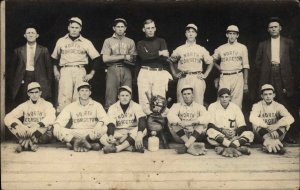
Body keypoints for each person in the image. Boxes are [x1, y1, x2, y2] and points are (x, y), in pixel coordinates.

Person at [255, 17, 299, 143]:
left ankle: (289, 134)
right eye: (271, 27)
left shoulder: (288, 42)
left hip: (283, 75)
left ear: (280, 28)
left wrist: (291, 81)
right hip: (268, 74)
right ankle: (265, 133)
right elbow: (257, 64)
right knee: (266, 101)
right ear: (268, 30)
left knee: (285, 103)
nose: (273, 29)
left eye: (275, 27)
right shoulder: (263, 44)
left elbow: (294, 62)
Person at [51, 17, 101, 113]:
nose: (74, 30)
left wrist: (91, 74)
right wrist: (55, 71)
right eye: (72, 27)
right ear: (68, 28)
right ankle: (63, 122)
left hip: (80, 70)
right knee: (64, 96)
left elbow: (97, 58)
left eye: (77, 27)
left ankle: (78, 119)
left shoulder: (86, 42)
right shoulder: (61, 41)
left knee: (79, 95)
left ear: (80, 29)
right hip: (65, 69)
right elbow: (54, 58)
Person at [53, 82, 110, 152]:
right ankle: (85, 143)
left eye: (86, 91)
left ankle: (75, 143)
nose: (84, 93)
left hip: (91, 132)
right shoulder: (72, 106)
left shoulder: (96, 105)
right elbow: (61, 119)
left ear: (90, 93)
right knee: (57, 130)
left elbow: (105, 118)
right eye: (82, 91)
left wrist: (100, 123)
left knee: (104, 128)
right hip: (76, 132)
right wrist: (57, 125)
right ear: (78, 93)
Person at [168, 23, 214, 105]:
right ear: (185, 34)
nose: (190, 34)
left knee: (198, 102)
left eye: (193, 31)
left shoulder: (200, 49)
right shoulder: (180, 49)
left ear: (196, 34)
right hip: (184, 77)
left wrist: (206, 74)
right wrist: (174, 73)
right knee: (182, 102)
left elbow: (211, 61)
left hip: (197, 77)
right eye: (188, 32)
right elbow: (170, 60)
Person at [4, 82, 56, 152]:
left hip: (40, 132)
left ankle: (23, 144)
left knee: (47, 125)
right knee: (11, 124)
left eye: (36, 92)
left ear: (40, 93)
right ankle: (31, 144)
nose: (34, 95)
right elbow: (8, 117)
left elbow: (51, 117)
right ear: (28, 94)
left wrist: (37, 125)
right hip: (27, 132)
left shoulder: (47, 104)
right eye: (31, 92)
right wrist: (17, 126)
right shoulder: (24, 105)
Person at [9, 24, 53, 105]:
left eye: (33, 33)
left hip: (40, 77)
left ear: (37, 35)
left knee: (40, 100)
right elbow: (13, 69)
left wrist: (47, 83)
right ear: (25, 35)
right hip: (25, 77)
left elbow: (49, 69)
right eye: (28, 33)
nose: (30, 34)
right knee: (24, 99)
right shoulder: (18, 50)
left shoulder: (44, 50)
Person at [137, 19, 172, 115]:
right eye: (148, 28)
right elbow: (143, 57)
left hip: (159, 72)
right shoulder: (140, 43)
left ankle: (157, 127)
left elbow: (165, 59)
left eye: (152, 28)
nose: (150, 30)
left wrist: (150, 55)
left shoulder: (161, 41)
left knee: (159, 101)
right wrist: (159, 53)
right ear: (143, 29)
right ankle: (145, 127)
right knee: (144, 101)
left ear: (155, 28)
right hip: (145, 72)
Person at [101, 18, 137, 110]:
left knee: (127, 94)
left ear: (125, 28)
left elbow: (133, 59)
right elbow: (105, 59)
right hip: (112, 69)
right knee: (111, 95)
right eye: (118, 27)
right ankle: (110, 120)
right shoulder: (108, 41)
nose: (120, 29)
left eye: (122, 27)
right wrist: (124, 56)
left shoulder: (130, 41)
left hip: (127, 69)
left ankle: (127, 117)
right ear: (114, 28)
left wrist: (114, 57)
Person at [207, 88, 254, 157]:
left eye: (226, 97)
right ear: (219, 98)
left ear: (230, 97)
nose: (224, 99)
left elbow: (243, 125)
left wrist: (235, 132)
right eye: (222, 97)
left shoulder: (235, 107)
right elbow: (210, 125)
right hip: (220, 135)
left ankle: (225, 147)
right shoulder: (212, 106)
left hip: (233, 136)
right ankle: (236, 147)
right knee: (210, 131)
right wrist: (222, 131)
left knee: (249, 134)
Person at [249, 84, 294, 155]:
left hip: (276, 134)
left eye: (270, 94)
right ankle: (271, 141)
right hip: (262, 134)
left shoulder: (278, 105)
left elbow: (291, 118)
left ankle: (269, 144)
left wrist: (276, 125)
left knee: (286, 122)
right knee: (255, 123)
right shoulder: (257, 105)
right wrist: (268, 127)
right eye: (265, 94)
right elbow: (252, 118)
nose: (268, 96)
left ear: (274, 95)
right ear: (262, 96)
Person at [101, 86, 147, 153]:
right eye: (122, 95)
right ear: (118, 97)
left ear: (130, 97)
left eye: (127, 95)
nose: (124, 98)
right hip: (118, 133)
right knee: (103, 137)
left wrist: (139, 134)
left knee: (143, 130)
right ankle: (129, 147)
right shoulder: (113, 107)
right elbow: (111, 123)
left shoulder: (136, 106)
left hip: (131, 132)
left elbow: (142, 120)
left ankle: (118, 148)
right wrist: (110, 135)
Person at [212, 25, 249, 108]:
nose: (232, 36)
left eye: (234, 34)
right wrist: (219, 69)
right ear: (227, 35)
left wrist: (245, 83)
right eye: (230, 33)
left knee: (237, 103)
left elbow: (245, 66)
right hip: (224, 77)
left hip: (237, 76)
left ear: (237, 35)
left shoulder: (242, 47)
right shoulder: (221, 48)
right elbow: (211, 60)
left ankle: (235, 121)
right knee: (222, 101)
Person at [167, 85, 210, 156]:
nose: (187, 96)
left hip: (195, 135)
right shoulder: (176, 105)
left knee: (202, 124)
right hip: (181, 136)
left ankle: (186, 146)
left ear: (192, 95)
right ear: (182, 96)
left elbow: (207, 116)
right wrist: (179, 122)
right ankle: (190, 145)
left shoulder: (199, 106)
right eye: (184, 94)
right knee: (173, 123)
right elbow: (170, 115)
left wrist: (194, 122)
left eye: (189, 94)